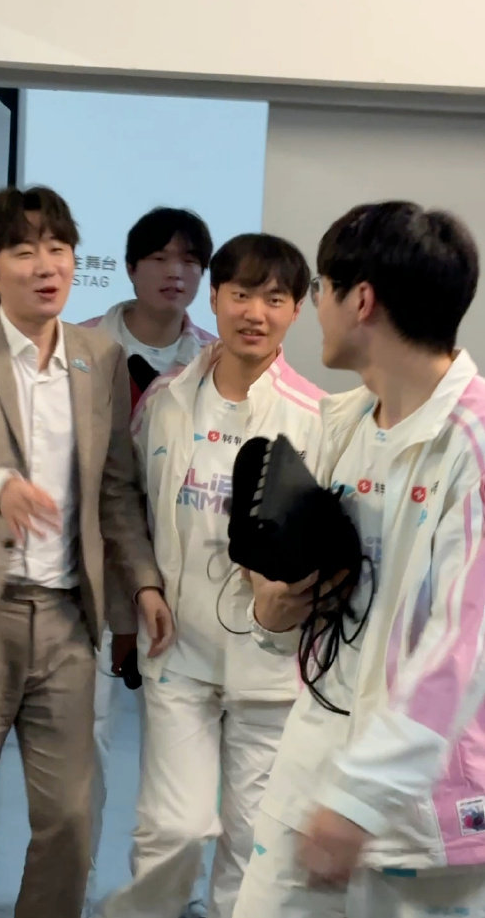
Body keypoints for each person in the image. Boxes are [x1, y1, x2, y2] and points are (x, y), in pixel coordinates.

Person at [0, 185, 174, 918]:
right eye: (24, 251)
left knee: (71, 821)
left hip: (65, 622)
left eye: (58, 247)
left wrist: (143, 583)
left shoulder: (99, 357)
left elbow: (115, 489)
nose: (47, 265)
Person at [233, 201, 485, 918]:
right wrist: (273, 608)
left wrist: (359, 798)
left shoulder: (472, 446)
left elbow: (464, 649)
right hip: (315, 771)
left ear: (362, 300)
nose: (315, 306)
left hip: (416, 807)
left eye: (320, 288)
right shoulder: (343, 423)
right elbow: (317, 602)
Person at [96, 233, 325, 918]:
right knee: (173, 828)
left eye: (275, 299)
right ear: (216, 297)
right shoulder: (165, 400)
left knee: (255, 841)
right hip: (180, 652)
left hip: (271, 665)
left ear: (297, 310)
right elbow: (128, 502)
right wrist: (137, 598)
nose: (255, 312)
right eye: (242, 294)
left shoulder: (319, 419)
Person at [80, 206, 215, 917]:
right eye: (160, 257)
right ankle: (74, 889)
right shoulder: (79, 348)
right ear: (131, 267)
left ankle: (166, 898)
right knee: (86, 746)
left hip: (183, 582)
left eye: (190, 260)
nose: (175, 272)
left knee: (177, 753)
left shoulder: (218, 359)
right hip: (91, 572)